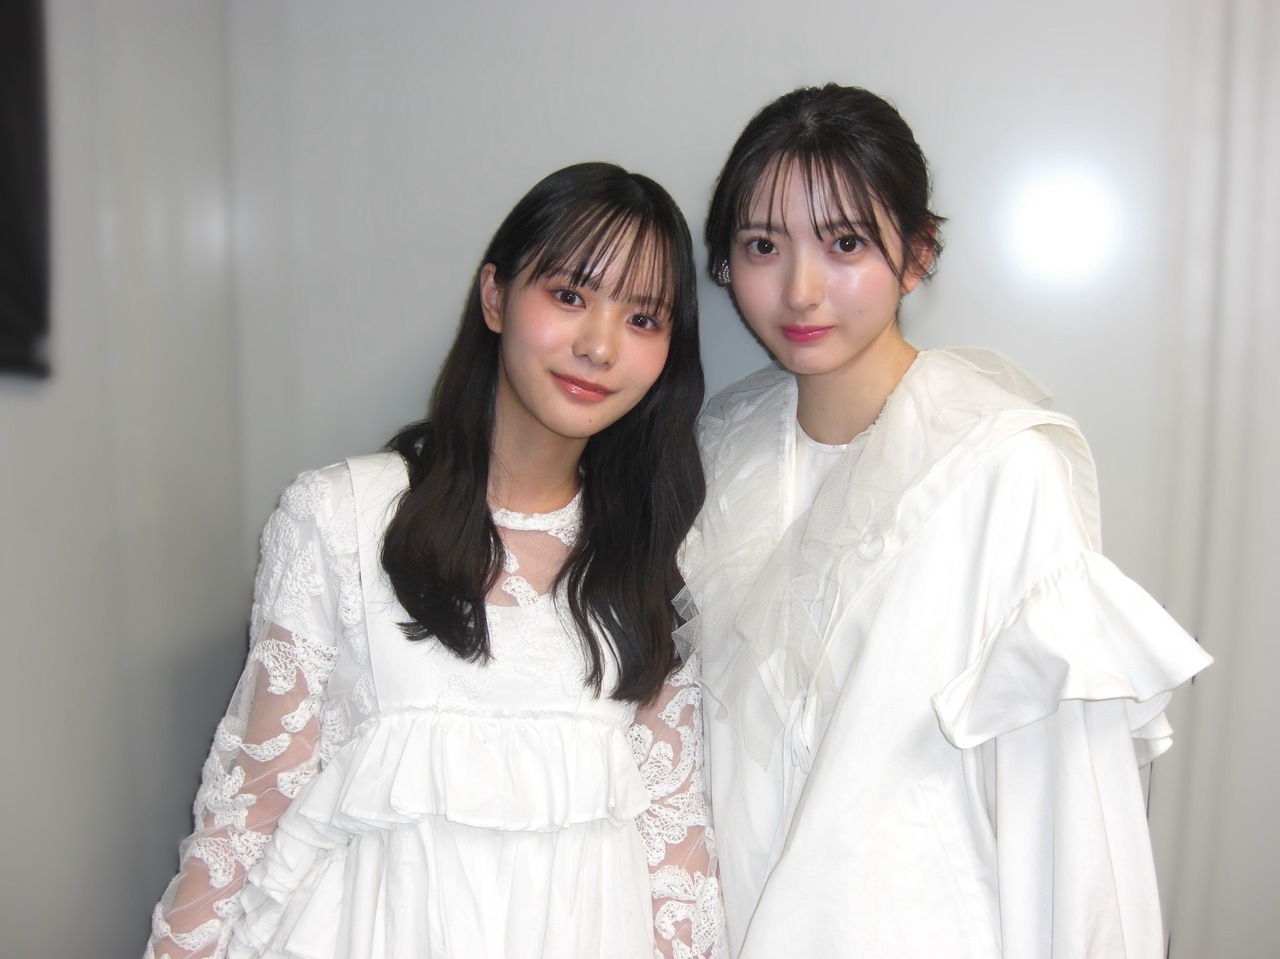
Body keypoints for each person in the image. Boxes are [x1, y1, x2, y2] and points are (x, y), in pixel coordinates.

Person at [680, 84, 1212, 957]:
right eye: (763, 245)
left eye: (846, 242)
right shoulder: (714, 451)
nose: (801, 290)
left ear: (917, 252)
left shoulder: (1001, 466)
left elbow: (1072, 805)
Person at [145, 162, 727, 959]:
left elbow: (676, 851)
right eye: (569, 295)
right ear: (495, 296)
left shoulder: (655, 554)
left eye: (643, 318)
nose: (598, 345)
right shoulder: (340, 516)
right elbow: (247, 812)